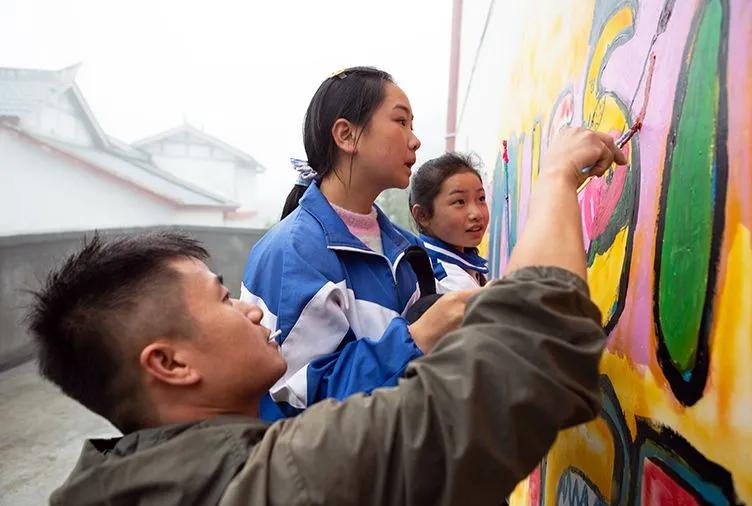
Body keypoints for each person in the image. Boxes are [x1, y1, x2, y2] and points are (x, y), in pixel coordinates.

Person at [28, 126, 626, 505]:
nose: (252, 311)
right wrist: (554, 178)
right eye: (221, 299)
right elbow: (521, 359)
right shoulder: (282, 476)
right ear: (170, 362)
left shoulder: (121, 479)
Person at [241, 67, 450, 420]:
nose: (415, 140)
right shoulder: (294, 251)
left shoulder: (409, 251)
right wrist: (416, 338)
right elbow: (299, 399)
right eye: (401, 122)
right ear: (346, 135)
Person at [409, 152, 490, 293]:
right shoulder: (448, 281)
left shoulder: (465, 262)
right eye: (460, 202)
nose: (476, 214)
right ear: (423, 215)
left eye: (481, 198)